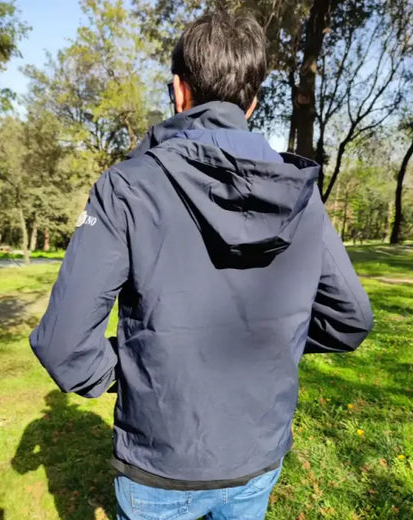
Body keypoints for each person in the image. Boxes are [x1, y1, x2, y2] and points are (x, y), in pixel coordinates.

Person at [30, 10, 373, 520]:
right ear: (253, 103)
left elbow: (63, 344)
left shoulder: (126, 188)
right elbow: (351, 319)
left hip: (160, 466)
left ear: (179, 90)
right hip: (255, 456)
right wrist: (275, 344)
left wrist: (132, 370)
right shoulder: (301, 196)